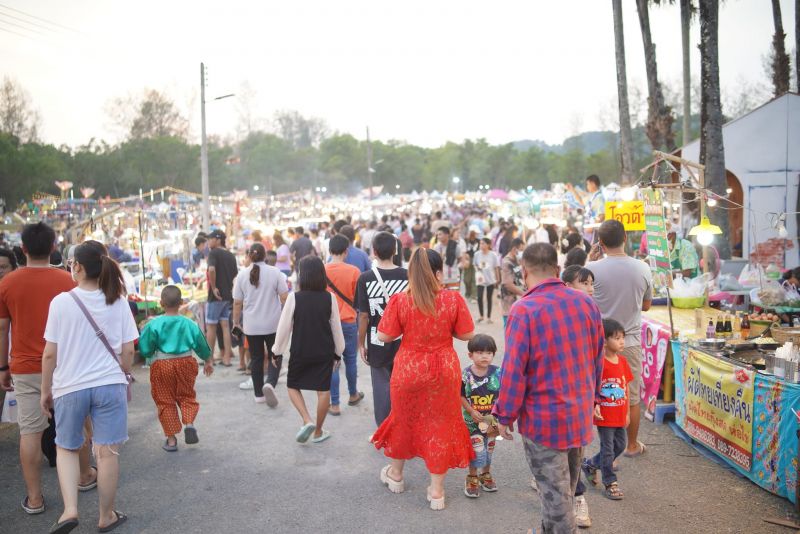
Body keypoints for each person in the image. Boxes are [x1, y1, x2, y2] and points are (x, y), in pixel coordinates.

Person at [494, 243, 604, 534]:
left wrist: (504, 415)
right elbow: (598, 357)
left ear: (525, 272)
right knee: (562, 490)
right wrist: (594, 398)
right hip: (578, 415)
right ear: (558, 270)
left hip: (543, 422)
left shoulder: (524, 310)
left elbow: (514, 370)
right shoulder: (586, 304)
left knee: (556, 499)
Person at [40, 240, 139, 533]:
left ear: (78, 267)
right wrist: (123, 371)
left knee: (67, 448)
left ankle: (70, 511)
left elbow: (49, 353)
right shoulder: (118, 301)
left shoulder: (61, 302)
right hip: (109, 384)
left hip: (69, 387)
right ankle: (106, 516)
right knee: (107, 453)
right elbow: (129, 351)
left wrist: (46, 390)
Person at [0, 223, 96, 518]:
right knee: (76, 423)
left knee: (29, 432)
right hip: (65, 365)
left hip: (25, 366)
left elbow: (3, 328)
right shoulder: (67, 280)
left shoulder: (7, 283)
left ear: (23, 249)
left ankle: (35, 498)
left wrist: (3, 365)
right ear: (54, 247)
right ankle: (83, 476)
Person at [372, 248, 475, 511]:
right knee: (441, 423)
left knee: (403, 418)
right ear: (439, 273)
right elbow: (467, 335)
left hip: (409, 368)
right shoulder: (452, 299)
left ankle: (396, 476)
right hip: (444, 369)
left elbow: (384, 336)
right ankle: (437, 491)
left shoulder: (400, 300)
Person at [588, 219, 653, 458]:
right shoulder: (643, 268)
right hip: (629, 342)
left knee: (598, 394)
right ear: (626, 238)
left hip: (597, 344)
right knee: (630, 396)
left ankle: (601, 448)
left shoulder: (591, 270)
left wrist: (590, 261)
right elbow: (646, 305)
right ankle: (631, 445)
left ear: (601, 243)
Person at [272, 256, 344, 444]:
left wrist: (276, 351)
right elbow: (336, 328)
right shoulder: (330, 298)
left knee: (293, 385)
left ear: (302, 275)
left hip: (300, 350)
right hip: (324, 351)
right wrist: (338, 352)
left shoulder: (294, 297)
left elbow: (284, 327)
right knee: (323, 390)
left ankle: (306, 419)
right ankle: (318, 431)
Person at [139, 286, 213, 451]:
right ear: (181, 303)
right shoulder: (189, 323)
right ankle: (189, 423)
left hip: (163, 364)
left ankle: (171, 440)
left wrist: (150, 353)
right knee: (186, 395)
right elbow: (201, 343)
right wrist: (208, 360)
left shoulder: (154, 324)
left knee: (165, 400)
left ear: (161, 303)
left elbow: (145, 348)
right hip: (186, 362)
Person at [355, 231, 408, 426]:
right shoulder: (407, 276)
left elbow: (363, 315)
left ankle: (385, 429)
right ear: (395, 251)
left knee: (381, 386)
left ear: (374, 252)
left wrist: (361, 343)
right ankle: (403, 427)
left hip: (377, 338)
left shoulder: (365, 278)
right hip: (405, 339)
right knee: (404, 385)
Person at [232, 243, 289, 406]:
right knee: (276, 354)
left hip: (252, 326)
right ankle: (270, 382)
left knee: (256, 358)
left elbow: (237, 303)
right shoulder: (275, 272)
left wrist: (236, 322)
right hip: (273, 324)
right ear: (265, 256)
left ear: (249, 256)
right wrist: (286, 316)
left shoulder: (242, 275)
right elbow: (285, 297)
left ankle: (258, 395)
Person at [582, 318, 633, 502]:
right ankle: (610, 482)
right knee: (608, 449)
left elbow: (626, 387)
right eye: (617, 338)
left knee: (620, 445)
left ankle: (590, 463)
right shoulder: (598, 363)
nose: (621, 342)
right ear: (604, 340)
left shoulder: (623, 361)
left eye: (623, 338)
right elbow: (591, 386)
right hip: (604, 415)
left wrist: (627, 412)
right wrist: (592, 406)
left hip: (620, 414)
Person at [325, 235, 363, 416]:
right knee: (350, 360)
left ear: (329, 250)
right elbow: (358, 299)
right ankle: (353, 394)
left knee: (333, 362)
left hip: (329, 323)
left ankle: (335, 404)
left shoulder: (322, 270)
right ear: (346, 251)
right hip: (349, 322)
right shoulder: (354, 271)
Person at [461, 334, 501, 499]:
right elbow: (460, 395)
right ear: (470, 355)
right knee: (477, 450)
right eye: (479, 352)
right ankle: (472, 477)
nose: (485, 356)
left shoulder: (498, 372)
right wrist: (470, 411)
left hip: (492, 421)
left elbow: (504, 394)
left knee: (489, 449)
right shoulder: (466, 375)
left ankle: (486, 474)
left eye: (489, 353)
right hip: (472, 422)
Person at [205, 229, 238, 367]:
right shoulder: (231, 255)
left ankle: (210, 358)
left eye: (210, 239)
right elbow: (236, 276)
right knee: (225, 326)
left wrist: (213, 287)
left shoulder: (213, 253)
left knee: (211, 326)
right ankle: (226, 358)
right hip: (228, 296)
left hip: (216, 295)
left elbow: (211, 270)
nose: (208, 242)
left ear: (218, 239)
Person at [500, 238, 526, 327]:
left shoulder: (516, 261)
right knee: (510, 330)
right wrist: (524, 294)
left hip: (518, 302)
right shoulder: (507, 262)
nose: (522, 252)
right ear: (515, 249)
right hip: (509, 304)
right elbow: (508, 284)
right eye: (521, 250)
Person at [473, 237, 501, 324]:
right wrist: (477, 268)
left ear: (488, 245)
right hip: (480, 279)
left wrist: (498, 278)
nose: (481, 245)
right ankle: (481, 316)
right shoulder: (477, 254)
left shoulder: (493, 255)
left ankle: (489, 317)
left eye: (483, 243)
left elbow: (496, 267)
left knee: (489, 298)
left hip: (490, 279)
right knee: (480, 297)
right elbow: (474, 264)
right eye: (480, 243)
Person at [433, 226, 466, 292]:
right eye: (437, 235)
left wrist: (456, 267)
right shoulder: (436, 247)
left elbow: (460, 259)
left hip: (453, 277)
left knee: (453, 298)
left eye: (440, 234)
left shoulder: (455, 246)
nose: (438, 237)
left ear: (447, 235)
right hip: (441, 278)